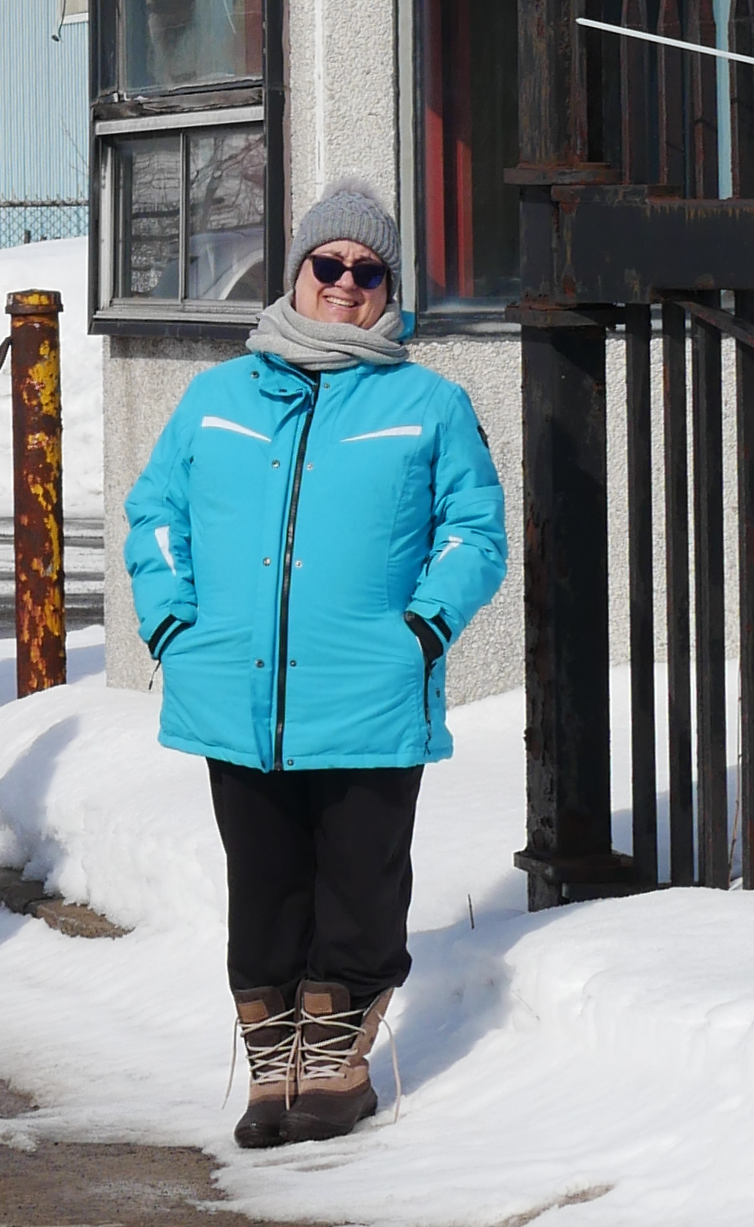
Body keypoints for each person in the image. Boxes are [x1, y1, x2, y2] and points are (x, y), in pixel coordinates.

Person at [123, 180, 506, 1150]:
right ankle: (270, 1059)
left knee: (360, 880)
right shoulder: (216, 398)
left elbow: (474, 531)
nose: (345, 282)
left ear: (387, 288)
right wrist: (171, 625)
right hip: (235, 693)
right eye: (327, 264)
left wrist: (422, 628)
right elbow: (153, 515)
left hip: (371, 694)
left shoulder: (428, 403)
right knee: (262, 879)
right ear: (294, 272)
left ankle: (337, 1057)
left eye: (366, 270)